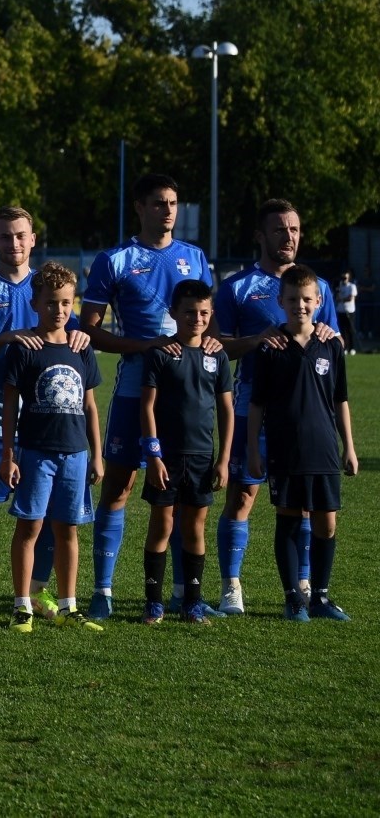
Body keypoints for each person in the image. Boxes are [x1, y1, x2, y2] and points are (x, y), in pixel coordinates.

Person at [79, 172, 215, 621]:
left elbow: (204, 321)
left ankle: (182, 594)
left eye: (173, 202)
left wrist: (210, 341)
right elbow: (89, 330)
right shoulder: (115, 260)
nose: (168, 210)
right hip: (136, 387)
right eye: (158, 203)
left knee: (181, 498)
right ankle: (103, 590)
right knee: (119, 486)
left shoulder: (194, 257)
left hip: (184, 397)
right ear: (139, 207)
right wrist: (142, 346)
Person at [0, 207, 91, 623]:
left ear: (33, 238)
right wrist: (6, 339)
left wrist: (82, 330)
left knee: (50, 514)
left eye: (20, 236)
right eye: (4, 237)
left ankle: (37, 591)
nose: (13, 244)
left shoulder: (54, 289)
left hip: (46, 422)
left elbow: (72, 343)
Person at [213, 199, 339, 614]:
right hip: (255, 406)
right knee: (243, 494)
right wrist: (257, 341)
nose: (289, 237)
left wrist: (326, 332)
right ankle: (232, 584)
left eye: (295, 230)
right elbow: (219, 349)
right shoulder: (237, 287)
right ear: (260, 236)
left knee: (303, 500)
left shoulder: (317, 287)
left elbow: (334, 344)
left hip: (304, 412)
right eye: (280, 230)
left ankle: (303, 582)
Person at [246, 266, 359, 622]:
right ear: (280, 301)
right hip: (285, 448)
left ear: (319, 301)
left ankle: (320, 597)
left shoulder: (331, 346)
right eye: (292, 299)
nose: (300, 306)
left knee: (327, 524)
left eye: (306, 299)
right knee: (290, 521)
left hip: (323, 447)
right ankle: (293, 596)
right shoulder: (271, 348)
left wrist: (349, 447)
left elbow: (340, 399)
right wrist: (252, 449)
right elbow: (256, 404)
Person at [0, 262, 105, 633]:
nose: (58, 311)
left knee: (68, 530)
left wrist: (97, 454)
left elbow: (90, 405)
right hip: (35, 451)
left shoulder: (81, 346)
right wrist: (8, 455)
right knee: (30, 528)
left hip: (75, 453)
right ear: (35, 303)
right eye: (50, 303)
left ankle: (68, 604)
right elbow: (10, 405)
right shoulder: (25, 348)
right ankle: (22, 606)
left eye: (65, 303)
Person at [138, 279, 234, 625]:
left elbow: (226, 410)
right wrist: (153, 455)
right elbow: (147, 407)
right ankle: (153, 602)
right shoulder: (161, 354)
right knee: (162, 524)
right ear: (174, 313)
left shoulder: (216, 355)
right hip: (166, 457)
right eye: (190, 312)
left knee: (195, 527)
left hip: (200, 457)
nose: (197, 318)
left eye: (204, 312)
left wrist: (223, 459)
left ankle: (192, 602)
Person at [336, 271, 358, 353]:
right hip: (341, 310)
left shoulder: (352, 286)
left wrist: (342, 299)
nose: (343, 280)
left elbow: (350, 298)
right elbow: (337, 298)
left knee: (350, 330)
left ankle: (352, 348)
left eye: (345, 278)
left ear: (349, 278)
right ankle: (345, 347)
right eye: (342, 278)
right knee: (342, 330)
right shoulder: (340, 287)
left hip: (349, 311)